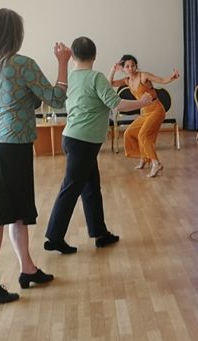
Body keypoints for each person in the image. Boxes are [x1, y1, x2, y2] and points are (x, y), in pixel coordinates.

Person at [0, 8, 69, 304]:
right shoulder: (22, 64)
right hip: (12, 150)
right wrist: (62, 64)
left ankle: (27, 269)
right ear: (16, 34)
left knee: (18, 214)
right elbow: (56, 98)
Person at [45, 37, 152, 254]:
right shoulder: (96, 78)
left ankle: (100, 233)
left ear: (73, 56)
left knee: (91, 187)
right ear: (95, 56)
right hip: (82, 142)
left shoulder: (71, 77)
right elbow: (117, 104)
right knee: (71, 188)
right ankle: (54, 236)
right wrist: (143, 102)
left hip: (76, 140)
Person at [108, 55, 180, 177]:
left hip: (157, 110)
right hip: (144, 113)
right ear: (124, 68)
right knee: (129, 133)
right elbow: (110, 83)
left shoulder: (143, 76)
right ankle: (144, 157)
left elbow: (162, 80)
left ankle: (156, 163)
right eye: (127, 66)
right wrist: (113, 69)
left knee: (143, 135)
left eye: (133, 65)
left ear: (136, 66)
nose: (130, 68)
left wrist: (172, 77)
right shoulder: (127, 81)